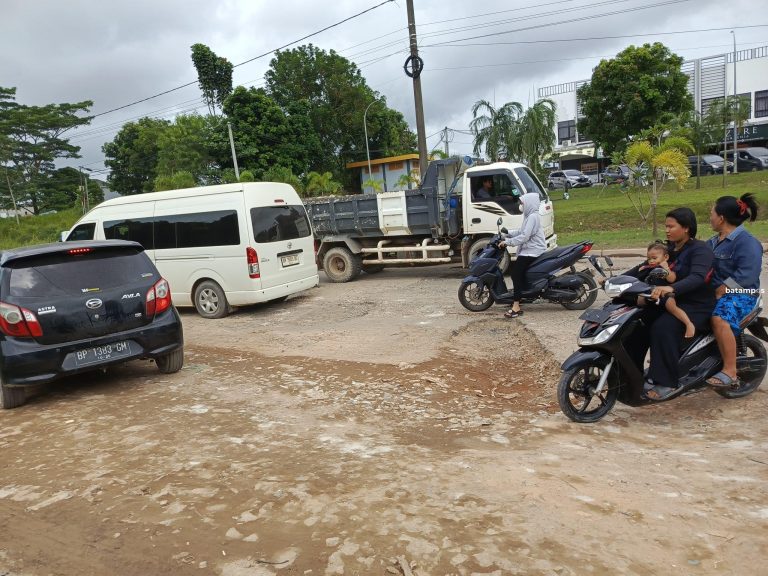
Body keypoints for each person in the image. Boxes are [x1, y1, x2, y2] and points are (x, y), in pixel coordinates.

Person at [625, 208, 716, 401]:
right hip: (669, 301)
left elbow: (698, 277)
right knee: (635, 322)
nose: (667, 230)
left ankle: (666, 382)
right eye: (666, 226)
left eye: (671, 226)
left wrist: (671, 288)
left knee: (663, 327)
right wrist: (616, 280)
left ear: (686, 228)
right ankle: (632, 375)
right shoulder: (669, 250)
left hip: (696, 304)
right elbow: (644, 266)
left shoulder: (700, 250)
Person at [705, 193, 762, 389]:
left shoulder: (747, 242)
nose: (710, 217)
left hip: (743, 294)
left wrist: (723, 289)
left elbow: (747, 274)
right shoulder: (713, 242)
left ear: (721, 218)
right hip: (716, 292)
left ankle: (730, 370)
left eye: (712, 213)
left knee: (719, 318)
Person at [622, 241, 696, 339]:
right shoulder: (647, 268)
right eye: (649, 259)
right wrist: (641, 271)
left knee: (671, 305)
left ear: (666, 257)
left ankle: (688, 323)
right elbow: (638, 280)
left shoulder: (668, 267)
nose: (651, 261)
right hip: (650, 294)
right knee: (635, 299)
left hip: (663, 294)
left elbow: (672, 279)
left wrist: (666, 269)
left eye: (654, 258)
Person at [498, 192, 547, 318]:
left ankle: (516, 307)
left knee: (515, 274)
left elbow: (524, 236)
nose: (520, 205)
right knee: (519, 274)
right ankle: (522, 296)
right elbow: (521, 231)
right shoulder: (529, 216)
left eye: (522, 203)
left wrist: (507, 242)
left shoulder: (532, 217)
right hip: (530, 249)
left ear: (529, 204)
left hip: (533, 250)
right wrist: (507, 233)